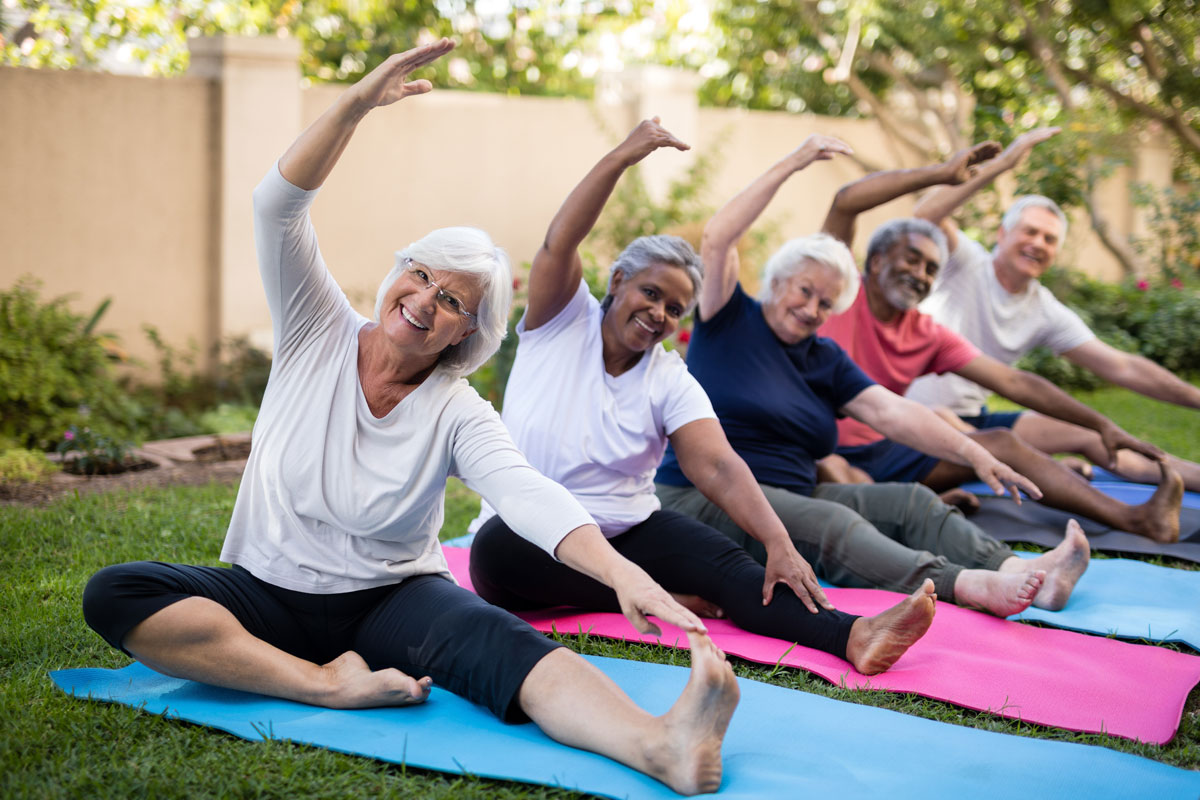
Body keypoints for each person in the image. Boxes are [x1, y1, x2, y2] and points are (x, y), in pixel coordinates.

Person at [79, 41, 741, 797]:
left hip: (394, 600)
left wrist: (622, 572)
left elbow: (526, 493)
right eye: (420, 275)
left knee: (500, 640)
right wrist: (356, 105)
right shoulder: (314, 327)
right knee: (117, 593)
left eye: (454, 300)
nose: (426, 301)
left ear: (470, 331)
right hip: (267, 589)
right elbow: (276, 206)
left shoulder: (457, 408)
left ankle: (659, 744)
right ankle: (323, 684)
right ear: (397, 272)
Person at [467, 119, 937, 678]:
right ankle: (645, 590)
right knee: (493, 551)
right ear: (617, 281)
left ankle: (853, 635)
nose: (659, 314)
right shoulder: (560, 322)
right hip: (527, 541)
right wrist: (623, 156)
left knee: (731, 564)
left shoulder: (669, 378)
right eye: (650, 293)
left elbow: (715, 464)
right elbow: (560, 240)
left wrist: (778, 541)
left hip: (626, 530)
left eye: (674, 308)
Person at [655, 136, 1090, 615]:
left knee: (911, 503)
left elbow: (892, 411)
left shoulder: (823, 357)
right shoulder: (728, 319)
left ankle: (1020, 572)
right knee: (832, 525)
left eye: (827, 303)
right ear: (778, 280)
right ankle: (966, 584)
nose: (811, 308)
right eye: (804, 291)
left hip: (794, 493)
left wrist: (974, 452)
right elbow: (719, 237)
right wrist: (794, 162)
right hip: (703, 499)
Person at [816, 150, 1184, 542]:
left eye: (930, 269)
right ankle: (911, 503)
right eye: (911, 260)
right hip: (818, 446)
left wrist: (1101, 424)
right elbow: (844, 202)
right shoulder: (839, 291)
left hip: (886, 448)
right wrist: (940, 173)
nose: (920, 274)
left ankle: (1136, 518)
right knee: (835, 470)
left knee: (1000, 443)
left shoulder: (927, 332)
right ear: (873, 262)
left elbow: (1016, 383)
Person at [909, 127, 1200, 493]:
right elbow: (923, 216)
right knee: (974, 435)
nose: (1038, 244)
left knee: (1091, 433)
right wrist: (1002, 164)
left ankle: (1192, 478)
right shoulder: (964, 262)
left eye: (1049, 239)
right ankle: (1042, 470)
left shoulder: (1043, 309)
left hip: (975, 420)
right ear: (1002, 234)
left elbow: (1122, 366)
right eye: (1029, 232)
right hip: (917, 416)